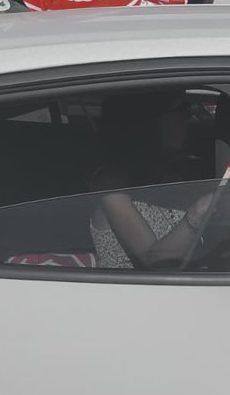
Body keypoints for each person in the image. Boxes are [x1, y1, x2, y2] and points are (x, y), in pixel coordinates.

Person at [87, 91, 219, 269]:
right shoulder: (110, 186)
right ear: (149, 121)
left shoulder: (172, 170)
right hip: (136, 293)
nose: (187, 120)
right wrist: (198, 213)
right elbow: (154, 263)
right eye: (183, 110)